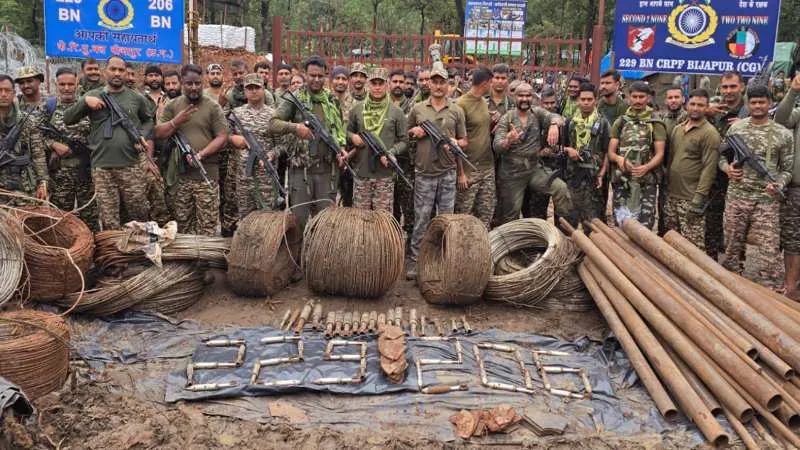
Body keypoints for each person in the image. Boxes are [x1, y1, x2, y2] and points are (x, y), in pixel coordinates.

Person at [63, 55, 155, 230]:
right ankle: (115, 254)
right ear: (106, 71)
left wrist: (142, 135)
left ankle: (140, 253)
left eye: (121, 70)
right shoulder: (93, 95)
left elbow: (149, 120)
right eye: (113, 69)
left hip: (131, 165)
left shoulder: (136, 98)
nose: (117, 73)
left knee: (139, 214)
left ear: (126, 74)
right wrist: (84, 102)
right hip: (102, 167)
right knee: (109, 218)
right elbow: (68, 118)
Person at [720, 85, 793, 289]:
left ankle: (771, 292)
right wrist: (728, 169)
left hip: (766, 201)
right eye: (754, 102)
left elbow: (787, 169)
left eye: (762, 102)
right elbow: (721, 157)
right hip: (737, 197)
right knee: (732, 248)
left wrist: (779, 183)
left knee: (770, 252)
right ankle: (731, 288)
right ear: (748, 104)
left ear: (770, 104)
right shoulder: (736, 129)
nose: (758, 106)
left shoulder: (782, 134)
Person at [269, 55, 347, 229]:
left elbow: (339, 131)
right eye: (312, 75)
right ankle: (298, 256)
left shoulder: (332, 100)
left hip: (328, 171)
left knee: (325, 225)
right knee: (298, 223)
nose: (316, 80)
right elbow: (273, 123)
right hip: (301, 171)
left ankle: (320, 256)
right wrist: (296, 128)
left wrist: (341, 149)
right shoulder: (294, 98)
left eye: (320, 76)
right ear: (305, 74)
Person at [405, 63, 468, 279]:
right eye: (435, 81)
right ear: (429, 84)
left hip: (448, 172)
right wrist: (417, 132)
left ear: (449, 85)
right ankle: (415, 261)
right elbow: (407, 136)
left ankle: (442, 261)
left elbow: (465, 142)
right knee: (421, 219)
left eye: (443, 82)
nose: (439, 86)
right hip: (424, 173)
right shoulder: (418, 109)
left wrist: (454, 141)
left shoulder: (457, 110)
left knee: (446, 220)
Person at [154, 64, 228, 235]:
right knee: (183, 223)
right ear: (181, 82)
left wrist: (200, 155)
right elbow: (158, 132)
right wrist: (175, 122)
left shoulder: (212, 106)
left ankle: (205, 261)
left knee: (207, 226)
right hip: (181, 177)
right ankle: (188, 260)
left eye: (197, 83)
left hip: (207, 175)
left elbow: (222, 137)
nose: (194, 87)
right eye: (189, 84)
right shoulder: (173, 106)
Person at [493, 82, 570, 225]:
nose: (524, 99)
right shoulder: (507, 118)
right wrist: (508, 140)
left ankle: (565, 228)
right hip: (512, 173)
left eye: (528, 95)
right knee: (511, 214)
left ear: (533, 97)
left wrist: (554, 125)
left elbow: (557, 117)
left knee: (561, 189)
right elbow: (497, 146)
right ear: (514, 97)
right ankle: (513, 243)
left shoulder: (537, 113)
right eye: (521, 95)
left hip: (534, 169)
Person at [346, 67, 408, 213]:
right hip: (362, 174)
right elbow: (347, 131)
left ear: (386, 85)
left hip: (384, 176)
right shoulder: (357, 110)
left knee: (383, 220)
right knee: (361, 219)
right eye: (374, 83)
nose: (378, 87)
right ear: (368, 85)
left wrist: (391, 152)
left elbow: (404, 141)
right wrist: (352, 137)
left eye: (381, 83)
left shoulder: (396, 112)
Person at [663, 88, 720, 249]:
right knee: (671, 242)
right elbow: (671, 160)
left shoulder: (710, 133)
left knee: (692, 247)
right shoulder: (678, 129)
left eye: (700, 105)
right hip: (672, 195)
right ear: (687, 104)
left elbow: (709, 169)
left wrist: (698, 198)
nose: (695, 108)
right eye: (693, 104)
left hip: (691, 198)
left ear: (706, 107)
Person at [43, 67, 98, 229]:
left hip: (86, 172)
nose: (66, 88)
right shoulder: (48, 107)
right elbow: (35, 135)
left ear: (77, 84)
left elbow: (99, 134)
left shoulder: (88, 106)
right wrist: (53, 144)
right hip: (60, 174)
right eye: (62, 84)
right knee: (60, 220)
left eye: (70, 84)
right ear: (56, 85)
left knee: (91, 219)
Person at [608, 81, 666, 229]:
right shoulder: (621, 122)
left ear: (648, 98)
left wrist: (646, 167)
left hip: (646, 182)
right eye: (634, 96)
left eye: (642, 97)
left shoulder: (655, 122)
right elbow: (611, 152)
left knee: (645, 223)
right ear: (628, 98)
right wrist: (619, 159)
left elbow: (660, 153)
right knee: (621, 221)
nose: (638, 100)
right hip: (623, 181)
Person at [706, 71, 748, 258]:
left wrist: (746, 124)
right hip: (715, 174)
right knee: (712, 218)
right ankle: (711, 257)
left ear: (742, 87)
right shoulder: (715, 111)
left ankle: (736, 262)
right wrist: (707, 111)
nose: (728, 91)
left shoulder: (749, 111)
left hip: (739, 175)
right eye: (725, 87)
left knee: (738, 224)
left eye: (733, 86)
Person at [228, 73, 280, 219]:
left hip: (266, 179)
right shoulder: (236, 114)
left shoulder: (273, 115)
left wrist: (272, 154)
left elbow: (282, 145)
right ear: (244, 91)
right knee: (245, 219)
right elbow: (224, 136)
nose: (253, 91)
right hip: (244, 177)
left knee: (266, 219)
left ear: (263, 89)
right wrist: (234, 138)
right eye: (249, 88)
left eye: (256, 87)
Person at [562, 83, 610, 228]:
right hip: (573, 176)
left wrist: (602, 174)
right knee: (570, 217)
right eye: (583, 99)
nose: (586, 102)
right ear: (578, 101)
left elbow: (608, 151)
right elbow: (561, 146)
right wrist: (568, 150)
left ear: (595, 100)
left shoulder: (602, 123)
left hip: (594, 178)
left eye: (589, 99)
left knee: (593, 220)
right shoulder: (570, 122)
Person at [455, 67, 495, 228]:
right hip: (469, 169)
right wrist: (461, 173)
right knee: (463, 215)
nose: (493, 86)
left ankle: (480, 249)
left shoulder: (484, 102)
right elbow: (456, 142)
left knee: (485, 214)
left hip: (487, 167)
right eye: (491, 83)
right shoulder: (461, 105)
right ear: (485, 83)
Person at [0, 74, 48, 205]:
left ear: (14, 93)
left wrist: (43, 182)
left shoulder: (28, 121)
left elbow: (38, 154)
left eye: (7, 90)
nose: (3, 94)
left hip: (24, 185)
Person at [775, 71, 800, 298]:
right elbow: (780, 120)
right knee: (793, 238)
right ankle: (791, 286)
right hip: (797, 189)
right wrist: (793, 90)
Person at [522, 87, 559, 220]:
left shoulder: (558, 119)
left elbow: (559, 119)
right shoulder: (532, 118)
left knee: (559, 206)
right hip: (535, 169)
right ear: (540, 102)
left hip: (555, 168)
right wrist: (540, 153)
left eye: (552, 103)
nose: (549, 106)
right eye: (546, 103)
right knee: (534, 209)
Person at [657, 84, 687, 235]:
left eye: (677, 97)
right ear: (665, 100)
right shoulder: (662, 119)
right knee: (664, 209)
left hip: (684, 174)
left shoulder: (688, 118)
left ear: (683, 99)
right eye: (670, 97)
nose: (673, 100)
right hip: (665, 171)